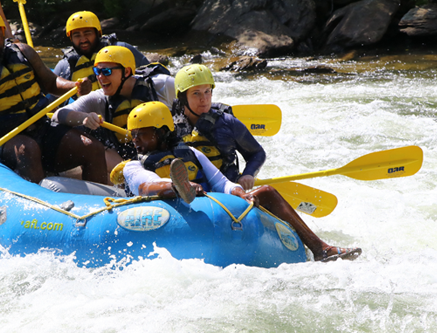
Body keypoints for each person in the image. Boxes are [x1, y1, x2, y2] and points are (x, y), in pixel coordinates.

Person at [122, 101, 362, 263]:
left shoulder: (193, 154)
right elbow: (145, 186)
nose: (135, 140)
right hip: (167, 211)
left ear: (162, 132)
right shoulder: (135, 166)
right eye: (132, 134)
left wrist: (239, 192)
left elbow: (221, 182)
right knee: (166, 188)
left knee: (266, 191)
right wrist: (176, 186)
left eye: (141, 133)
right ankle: (179, 188)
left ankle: (320, 248)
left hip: (213, 206)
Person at [0, 9, 108, 185]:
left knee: (92, 148)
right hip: (1, 138)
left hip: (41, 126)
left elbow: (51, 82)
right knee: (28, 150)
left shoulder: (23, 52)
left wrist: (74, 86)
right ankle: (42, 201)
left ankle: (102, 201)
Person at [52, 45, 175, 173]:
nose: (100, 77)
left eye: (106, 72)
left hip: (165, 153)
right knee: (104, 153)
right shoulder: (99, 98)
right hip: (126, 163)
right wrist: (83, 118)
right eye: (97, 71)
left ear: (126, 72)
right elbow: (58, 114)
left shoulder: (162, 85)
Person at [172, 64, 265, 191]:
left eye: (207, 91)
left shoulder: (228, 122)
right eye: (196, 93)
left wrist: (249, 174)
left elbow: (257, 153)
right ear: (183, 98)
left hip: (227, 191)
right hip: (191, 194)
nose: (204, 99)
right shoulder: (171, 127)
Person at [53, 11, 150, 92]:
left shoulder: (121, 50)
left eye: (88, 33)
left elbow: (152, 73)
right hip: (86, 112)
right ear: (71, 38)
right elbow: (52, 98)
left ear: (98, 33)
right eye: (77, 35)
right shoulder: (65, 66)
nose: (83, 40)